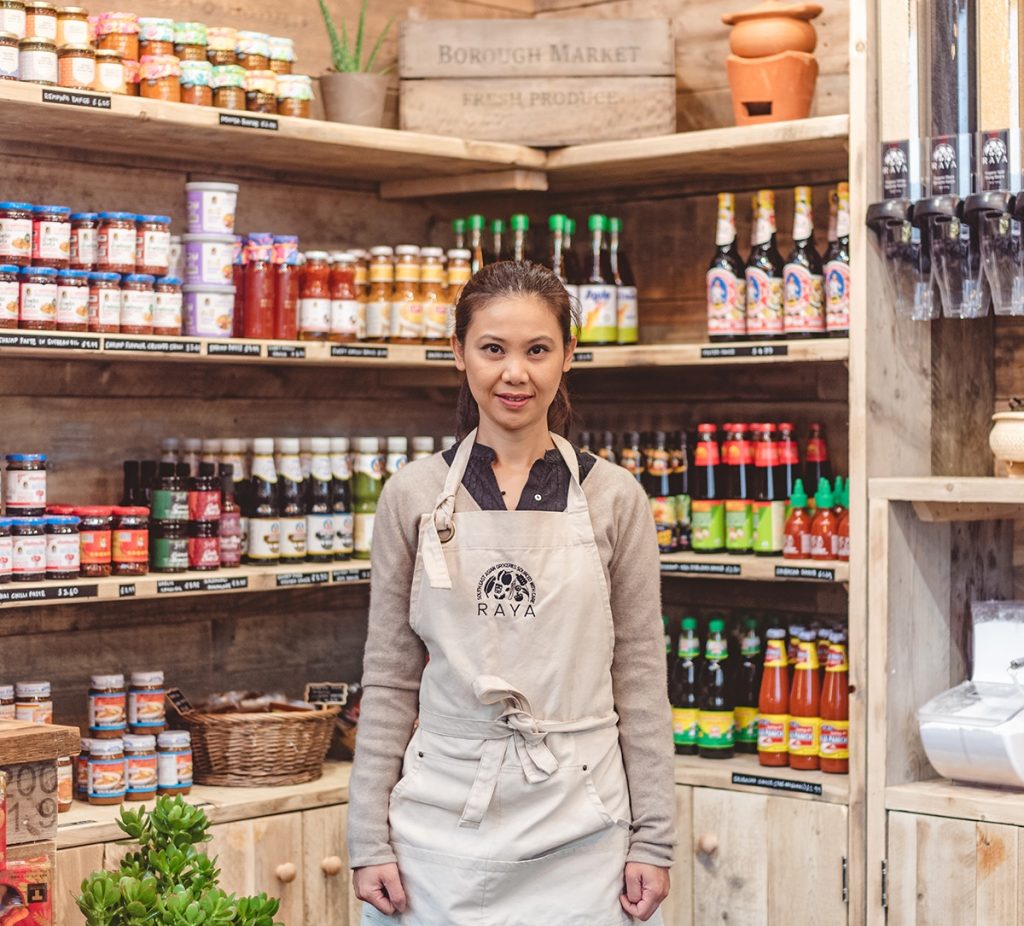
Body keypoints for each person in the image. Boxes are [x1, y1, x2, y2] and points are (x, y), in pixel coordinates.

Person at [348, 260, 676, 924]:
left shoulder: (616, 498)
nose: (514, 373)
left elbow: (640, 674)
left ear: (568, 357)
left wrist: (656, 837)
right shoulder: (412, 495)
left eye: (537, 349)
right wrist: (366, 837)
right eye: (492, 348)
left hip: (583, 817)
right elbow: (387, 676)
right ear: (459, 354)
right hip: (440, 822)